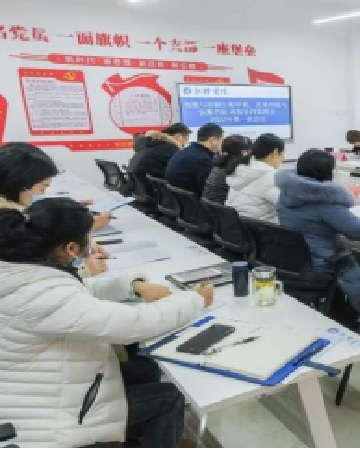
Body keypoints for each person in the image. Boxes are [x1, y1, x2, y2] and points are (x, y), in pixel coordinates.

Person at [0, 198, 214, 447]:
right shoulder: (42, 293)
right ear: (71, 248)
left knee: (146, 369)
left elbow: (82, 290)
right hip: (54, 422)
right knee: (168, 397)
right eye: (88, 240)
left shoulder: (19, 272)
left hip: (33, 390)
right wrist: (195, 299)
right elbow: (135, 325)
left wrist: (133, 286)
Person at [275, 150, 360, 311]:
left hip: (293, 259)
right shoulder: (324, 201)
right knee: (357, 263)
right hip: (323, 263)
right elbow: (359, 231)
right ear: (327, 172)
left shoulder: (287, 193)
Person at [0, 143, 111, 276]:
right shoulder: (7, 225)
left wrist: (82, 238)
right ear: (23, 185)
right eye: (43, 187)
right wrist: (83, 270)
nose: (42, 193)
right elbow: (31, 275)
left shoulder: (10, 209)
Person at [225, 134, 285, 222]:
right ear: (275, 152)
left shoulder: (242, 170)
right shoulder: (270, 177)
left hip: (237, 226)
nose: (283, 158)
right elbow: (287, 204)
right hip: (261, 227)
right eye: (283, 153)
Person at [165, 122, 224, 196]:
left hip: (177, 199)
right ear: (213, 140)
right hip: (192, 200)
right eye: (221, 140)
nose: (222, 144)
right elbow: (207, 190)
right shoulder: (203, 159)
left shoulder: (185, 151)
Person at [202, 134, 253, 204]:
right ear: (244, 153)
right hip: (223, 208)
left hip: (209, 207)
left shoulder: (218, 165)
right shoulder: (236, 171)